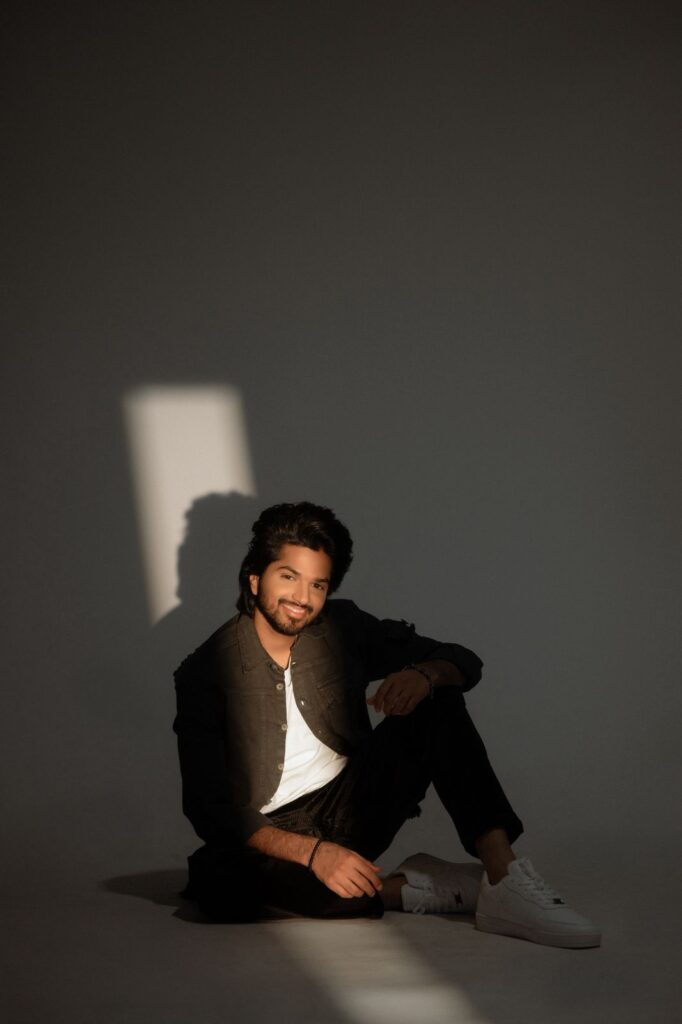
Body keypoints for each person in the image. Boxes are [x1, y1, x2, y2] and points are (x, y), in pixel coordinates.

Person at [174, 502, 600, 947]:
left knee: (437, 699)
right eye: (288, 576)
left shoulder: (343, 628)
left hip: (355, 802)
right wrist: (315, 854)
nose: (302, 597)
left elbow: (461, 659)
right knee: (219, 886)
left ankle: (502, 876)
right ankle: (411, 888)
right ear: (254, 578)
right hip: (272, 830)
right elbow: (209, 808)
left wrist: (424, 675)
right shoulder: (204, 673)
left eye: (317, 584)